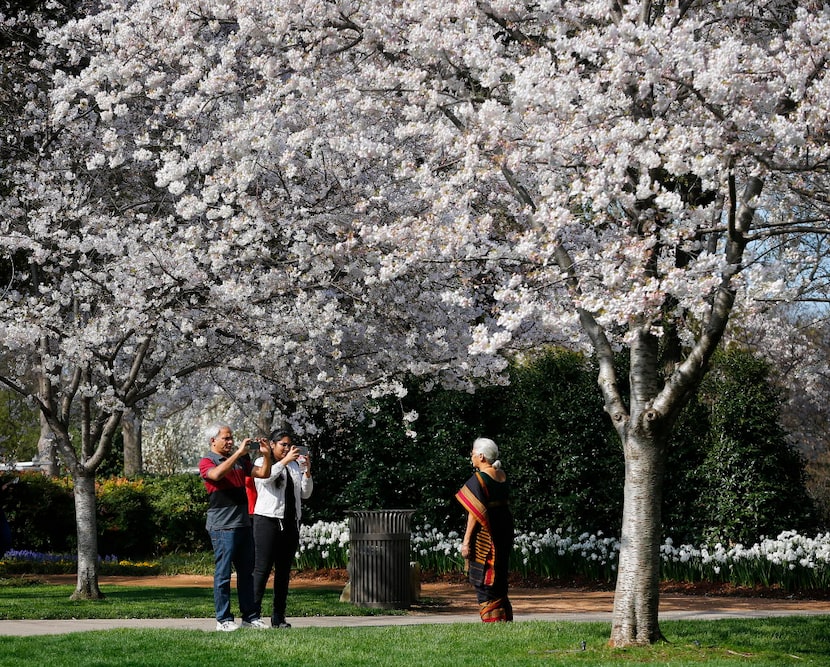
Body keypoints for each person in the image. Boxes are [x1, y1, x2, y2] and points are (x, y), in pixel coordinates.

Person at [199, 425, 272, 631]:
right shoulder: (207, 461)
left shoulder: (241, 460)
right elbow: (215, 476)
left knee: (246, 574)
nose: (230, 442)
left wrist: (266, 456)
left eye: (232, 438)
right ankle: (223, 620)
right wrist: (239, 453)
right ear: (213, 441)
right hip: (222, 527)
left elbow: (263, 474)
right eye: (226, 438)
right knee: (223, 575)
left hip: (243, 524)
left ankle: (250, 617)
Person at [251, 431, 313, 628]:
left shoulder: (294, 466)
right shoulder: (262, 463)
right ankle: (252, 615)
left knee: (283, 572)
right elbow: (266, 479)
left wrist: (307, 472)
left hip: (290, 523)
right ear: (272, 444)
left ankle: (279, 617)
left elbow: (305, 494)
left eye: (289, 445)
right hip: (267, 521)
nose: (287, 449)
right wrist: (285, 461)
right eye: (283, 445)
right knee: (262, 570)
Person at [455, 437, 514, 622]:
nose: (471, 456)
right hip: (503, 529)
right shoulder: (502, 475)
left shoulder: (479, 479)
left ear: (481, 456)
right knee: (500, 572)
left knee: (484, 575)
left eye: (473, 453)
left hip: (486, 534)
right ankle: (504, 618)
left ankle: (492, 620)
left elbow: (475, 513)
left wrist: (466, 542)